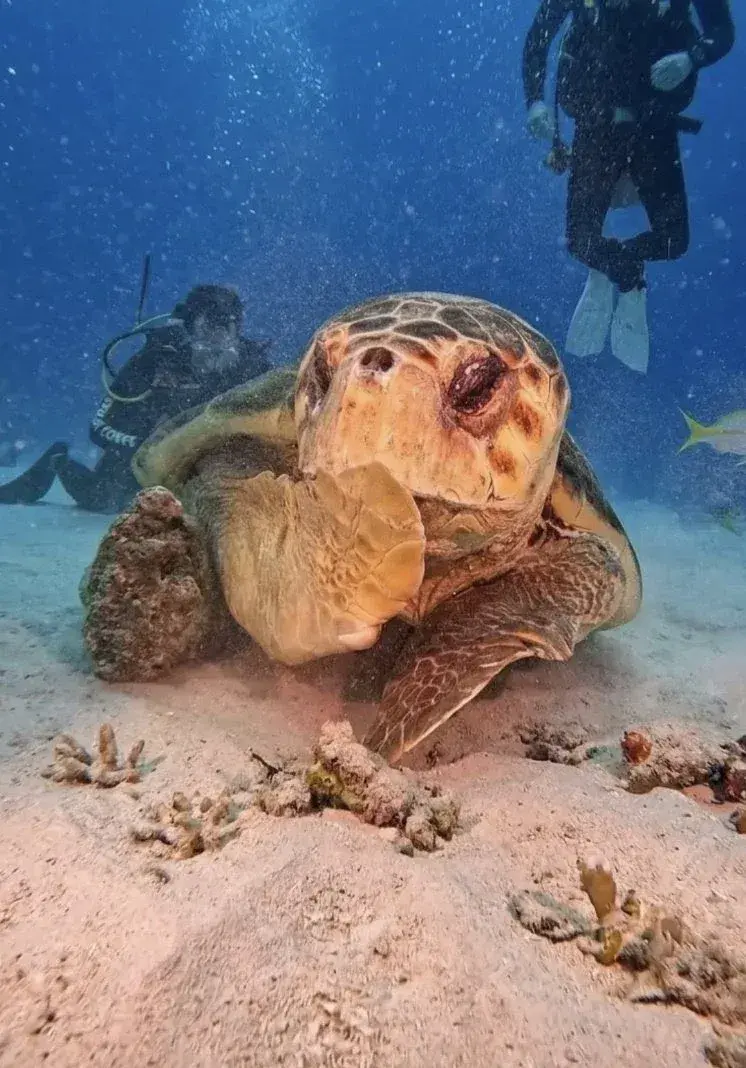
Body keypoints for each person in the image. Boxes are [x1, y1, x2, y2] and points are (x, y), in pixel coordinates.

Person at [523, 0, 734, 373]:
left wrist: (691, 58)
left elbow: (722, 32)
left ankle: (618, 266)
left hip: (655, 126)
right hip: (597, 125)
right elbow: (540, 34)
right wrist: (535, 102)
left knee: (674, 240)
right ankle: (626, 276)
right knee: (579, 240)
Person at [0, 284, 273, 512]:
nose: (217, 338)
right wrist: (151, 446)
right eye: (207, 326)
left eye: (227, 326)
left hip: (214, 465)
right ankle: (57, 460)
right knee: (105, 500)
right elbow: (98, 430)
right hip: (143, 462)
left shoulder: (253, 367)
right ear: (189, 326)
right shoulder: (154, 360)